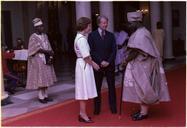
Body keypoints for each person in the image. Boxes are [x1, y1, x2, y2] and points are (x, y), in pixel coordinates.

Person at [121, 12, 170, 121]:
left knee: (143, 88)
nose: (129, 26)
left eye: (130, 23)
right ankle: (143, 110)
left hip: (144, 66)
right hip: (141, 65)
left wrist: (125, 61)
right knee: (140, 88)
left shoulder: (141, 34)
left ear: (136, 22)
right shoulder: (140, 31)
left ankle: (144, 113)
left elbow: (135, 51)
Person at [88, 15, 117, 115]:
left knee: (112, 87)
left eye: (106, 22)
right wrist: (101, 61)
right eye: (104, 23)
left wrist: (108, 61)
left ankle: (113, 107)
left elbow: (114, 50)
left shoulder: (111, 35)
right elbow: (92, 51)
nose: (106, 24)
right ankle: (97, 109)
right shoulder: (92, 35)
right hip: (98, 65)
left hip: (110, 65)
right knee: (97, 88)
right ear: (99, 23)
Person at [74, 17, 100, 123]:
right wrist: (94, 64)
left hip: (82, 64)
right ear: (85, 26)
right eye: (89, 25)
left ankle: (82, 113)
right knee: (83, 91)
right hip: (84, 64)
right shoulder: (81, 39)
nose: (90, 27)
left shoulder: (80, 37)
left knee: (83, 90)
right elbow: (86, 56)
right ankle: (83, 115)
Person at [26, 18, 57, 104]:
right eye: (40, 27)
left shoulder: (45, 35)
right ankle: (40, 97)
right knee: (40, 78)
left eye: (42, 26)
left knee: (46, 78)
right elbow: (36, 49)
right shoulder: (33, 37)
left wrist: (51, 54)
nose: (42, 28)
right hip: (38, 60)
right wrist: (48, 51)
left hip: (46, 58)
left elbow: (48, 45)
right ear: (36, 28)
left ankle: (46, 96)